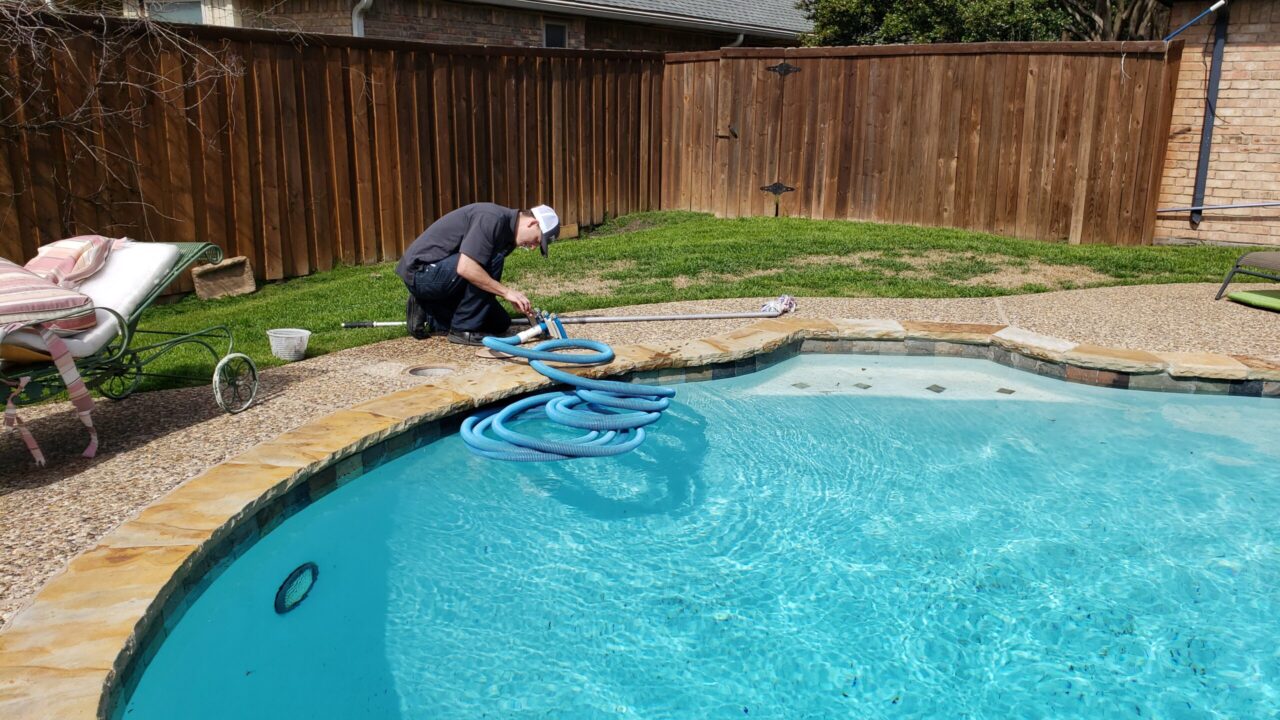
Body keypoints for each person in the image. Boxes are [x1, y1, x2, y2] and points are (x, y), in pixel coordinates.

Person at [396, 203, 559, 346]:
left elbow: (475, 278)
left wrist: (505, 296)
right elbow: (466, 268)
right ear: (533, 223)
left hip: (444, 275)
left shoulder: (508, 237)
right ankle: (462, 330)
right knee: (493, 259)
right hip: (421, 273)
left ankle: (430, 310)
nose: (533, 247)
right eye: (537, 240)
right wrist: (506, 292)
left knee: (500, 323)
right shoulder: (491, 219)